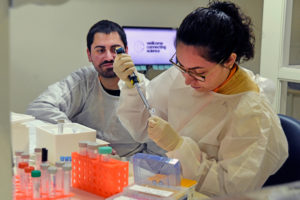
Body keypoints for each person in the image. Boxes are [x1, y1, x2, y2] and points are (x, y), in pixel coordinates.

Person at [113, 1, 288, 197]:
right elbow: (142, 126)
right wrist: (130, 85)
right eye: (180, 65)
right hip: (176, 187)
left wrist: (178, 147)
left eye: (199, 73)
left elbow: (230, 189)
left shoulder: (252, 115)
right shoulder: (186, 73)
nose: (187, 80)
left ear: (229, 60)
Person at [26, 20, 165, 158]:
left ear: (126, 52)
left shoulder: (144, 89)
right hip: (86, 161)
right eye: (100, 50)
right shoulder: (83, 81)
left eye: (115, 50)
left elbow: (158, 149)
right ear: (89, 54)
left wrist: (123, 165)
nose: (109, 57)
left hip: (128, 168)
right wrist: (89, 142)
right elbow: (39, 107)